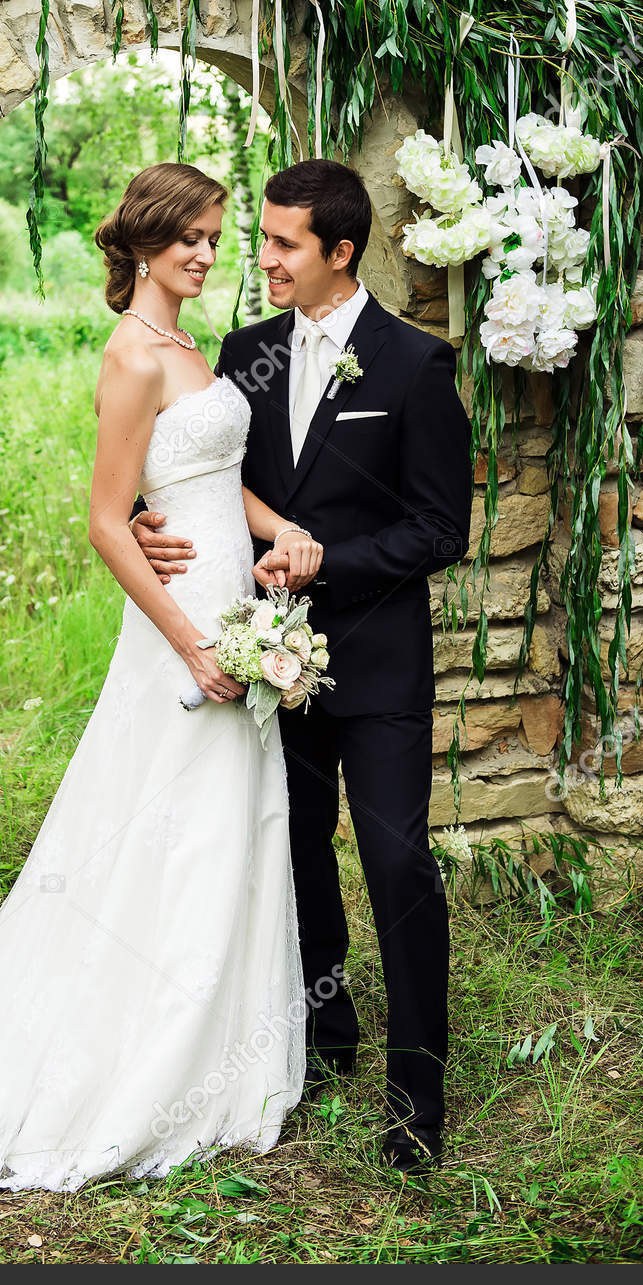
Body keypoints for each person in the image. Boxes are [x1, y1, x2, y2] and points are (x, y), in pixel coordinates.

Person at [0, 161, 322, 1193]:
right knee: (167, 820)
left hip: (236, 604)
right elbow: (108, 518)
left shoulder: (192, 346)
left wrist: (277, 523)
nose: (207, 254)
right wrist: (192, 644)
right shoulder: (130, 353)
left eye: (215, 237)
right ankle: (139, 1058)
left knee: (231, 820)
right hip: (183, 626)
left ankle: (221, 1058)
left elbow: (209, 477)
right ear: (148, 242)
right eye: (190, 237)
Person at [132, 158, 474, 1171]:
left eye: (283, 243)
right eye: (263, 238)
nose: (262, 258)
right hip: (263, 657)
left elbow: (439, 527)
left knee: (398, 863)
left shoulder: (415, 365)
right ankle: (326, 1038)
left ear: (339, 251)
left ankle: (418, 1090)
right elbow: (203, 477)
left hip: (375, 668)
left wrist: (328, 558)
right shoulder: (243, 353)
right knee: (294, 850)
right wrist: (153, 523)